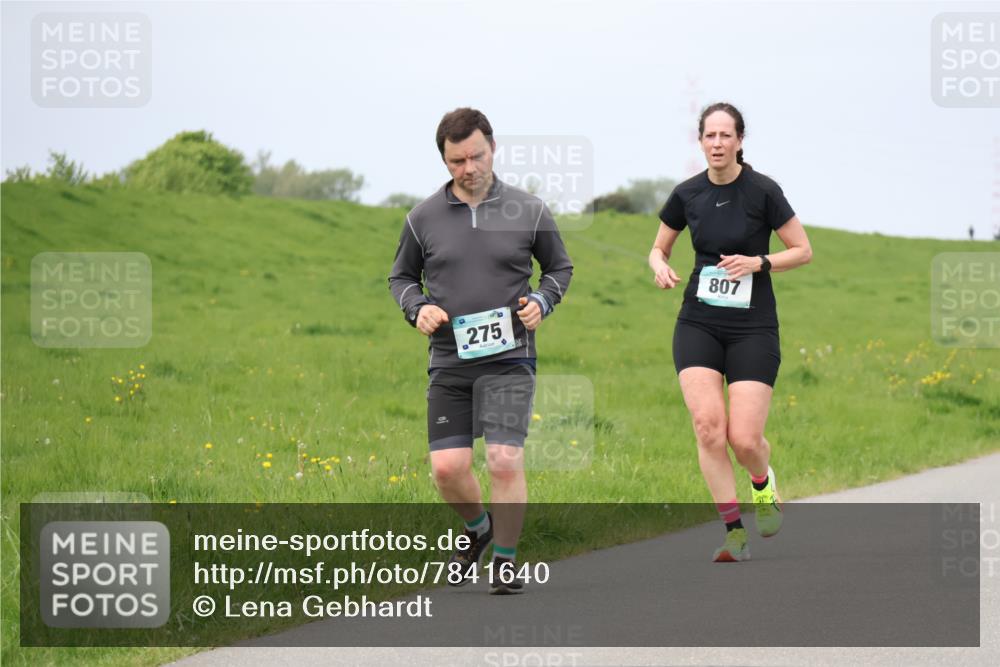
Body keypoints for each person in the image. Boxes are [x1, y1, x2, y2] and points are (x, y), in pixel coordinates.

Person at [389, 108, 573, 593]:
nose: (469, 168)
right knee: (448, 469)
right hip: (450, 360)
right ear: (444, 161)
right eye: (456, 161)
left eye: (477, 156)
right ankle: (479, 529)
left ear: (493, 148)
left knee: (505, 459)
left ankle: (506, 562)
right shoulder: (421, 217)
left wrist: (541, 300)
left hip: (511, 358)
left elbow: (559, 269)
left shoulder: (528, 209)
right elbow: (402, 277)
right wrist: (417, 308)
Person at [648, 102, 812, 562]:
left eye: (725, 136)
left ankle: (763, 486)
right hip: (698, 320)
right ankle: (733, 530)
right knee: (707, 428)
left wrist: (759, 262)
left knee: (744, 439)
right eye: (709, 136)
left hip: (753, 327)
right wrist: (660, 266)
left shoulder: (763, 191)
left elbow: (802, 250)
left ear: (740, 140)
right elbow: (658, 249)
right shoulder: (687, 194)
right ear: (700, 141)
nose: (717, 143)